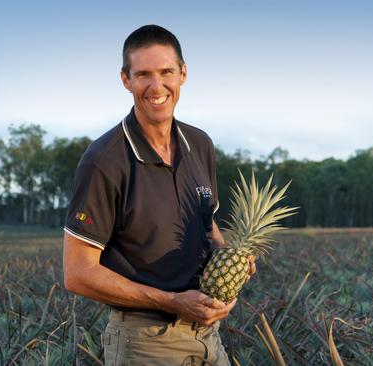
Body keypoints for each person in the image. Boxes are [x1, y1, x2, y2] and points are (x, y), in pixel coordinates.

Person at [62, 24, 255, 365]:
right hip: (144, 342)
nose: (156, 86)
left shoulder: (200, 144)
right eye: (143, 75)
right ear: (125, 79)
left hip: (208, 334)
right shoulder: (104, 160)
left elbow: (206, 225)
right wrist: (170, 301)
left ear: (183, 73)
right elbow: (78, 273)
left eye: (166, 72)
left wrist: (232, 258)